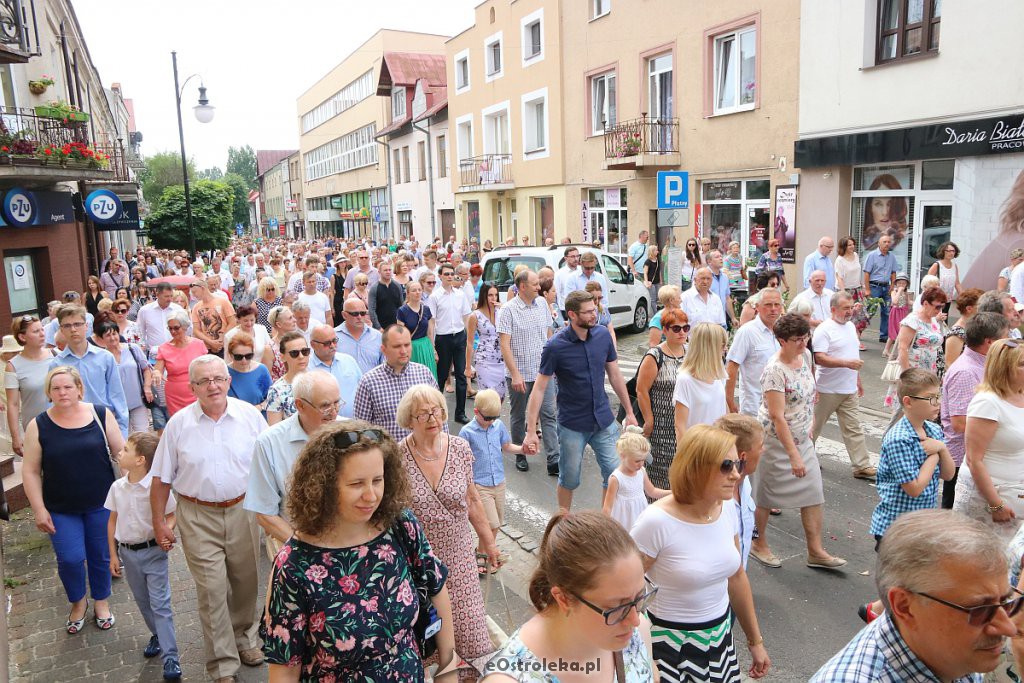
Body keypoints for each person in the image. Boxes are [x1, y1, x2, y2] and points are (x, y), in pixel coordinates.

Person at [260, 420, 457, 682]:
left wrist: (448, 671)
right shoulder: (294, 565)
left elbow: (435, 586)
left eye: (378, 480)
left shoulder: (399, 525)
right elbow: (284, 669)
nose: (371, 495)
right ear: (324, 487)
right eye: (356, 484)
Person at [150, 355, 267, 682]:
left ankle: (244, 636)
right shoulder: (178, 425)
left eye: (218, 378)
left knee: (246, 582)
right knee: (212, 590)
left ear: (228, 380)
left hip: (244, 509)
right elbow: (160, 478)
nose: (212, 386)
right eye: (203, 381)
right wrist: (159, 522)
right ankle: (222, 665)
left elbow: (268, 465)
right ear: (192, 387)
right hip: (197, 515)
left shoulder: (250, 417)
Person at [811, 509, 1018, 683]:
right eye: (980, 610)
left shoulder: (946, 655)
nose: (1008, 628)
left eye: (1006, 601)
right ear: (905, 606)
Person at [631, 425, 771, 682]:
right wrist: (643, 654)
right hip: (668, 647)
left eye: (738, 463)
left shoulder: (726, 508)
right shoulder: (655, 523)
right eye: (726, 465)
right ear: (695, 468)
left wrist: (755, 641)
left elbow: (737, 576)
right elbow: (623, 594)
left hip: (719, 640)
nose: (736, 474)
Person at [397, 385, 500, 677]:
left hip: (459, 556)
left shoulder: (459, 448)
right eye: (424, 413)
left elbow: (472, 499)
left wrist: (489, 543)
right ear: (409, 419)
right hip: (417, 562)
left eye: (438, 410)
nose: (433, 418)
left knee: (472, 632)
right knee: (427, 635)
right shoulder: (397, 456)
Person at [482, 510, 658, 682]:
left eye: (640, 597)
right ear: (563, 598)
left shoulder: (636, 633)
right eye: (617, 608)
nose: (635, 620)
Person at [22, 366, 124, 634]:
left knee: (100, 556)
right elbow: (31, 471)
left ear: (79, 388)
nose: (62, 392)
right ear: (49, 392)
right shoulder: (38, 425)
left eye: (68, 387)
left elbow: (121, 453)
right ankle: (78, 602)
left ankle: (101, 601)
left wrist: (133, 493)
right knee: (70, 558)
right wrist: (38, 509)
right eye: (56, 388)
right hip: (60, 507)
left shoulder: (100, 414)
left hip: (101, 504)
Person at [524, 291, 636, 511]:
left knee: (614, 473)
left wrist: (630, 412)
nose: (594, 315)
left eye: (594, 309)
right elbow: (538, 389)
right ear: (573, 315)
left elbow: (615, 375)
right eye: (588, 312)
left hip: (603, 420)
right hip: (572, 425)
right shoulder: (554, 347)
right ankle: (563, 521)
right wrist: (530, 431)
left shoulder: (603, 336)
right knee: (570, 478)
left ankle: (605, 522)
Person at [750, 313, 846, 570]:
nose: (804, 343)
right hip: (775, 442)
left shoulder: (803, 357)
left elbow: (808, 394)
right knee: (765, 496)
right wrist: (793, 455)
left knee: (814, 493)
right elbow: (777, 416)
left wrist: (812, 422)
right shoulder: (774, 371)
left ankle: (815, 550)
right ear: (781, 340)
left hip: (802, 436)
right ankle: (758, 543)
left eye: (806, 337)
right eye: (797, 339)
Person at [859, 369, 955, 624]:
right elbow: (914, 487)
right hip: (896, 524)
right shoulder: (899, 438)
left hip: (920, 521)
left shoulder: (933, 432)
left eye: (938, 397)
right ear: (908, 401)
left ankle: (877, 612)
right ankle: (881, 617)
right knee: (903, 579)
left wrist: (942, 449)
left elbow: (948, 474)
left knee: (911, 577)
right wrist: (934, 455)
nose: (938, 404)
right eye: (931, 399)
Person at [103, 432, 181, 680]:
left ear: (140, 460)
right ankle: (157, 634)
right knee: (143, 601)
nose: (120, 452)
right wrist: (113, 555)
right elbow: (112, 521)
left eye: (126, 449)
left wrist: (167, 532)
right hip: (128, 553)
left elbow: (170, 514)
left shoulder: (156, 489)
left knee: (161, 605)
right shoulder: (117, 487)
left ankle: (171, 659)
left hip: (154, 551)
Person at [246, 371, 341, 558]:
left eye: (337, 402)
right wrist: (305, 548)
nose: (334, 412)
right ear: (300, 405)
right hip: (293, 547)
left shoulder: (352, 433)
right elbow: (264, 513)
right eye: (325, 406)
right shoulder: (269, 442)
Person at [952, 339, 1024, 542]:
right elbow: (974, 459)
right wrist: (996, 504)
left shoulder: (1021, 395)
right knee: (978, 560)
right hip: (989, 497)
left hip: (1015, 493)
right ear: (1004, 369)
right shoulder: (988, 402)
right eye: (1022, 364)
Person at [941, 313, 1009, 512]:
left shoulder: (984, 365)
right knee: (957, 523)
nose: (1010, 342)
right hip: (963, 460)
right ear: (989, 342)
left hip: (977, 457)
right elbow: (960, 423)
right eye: (1006, 337)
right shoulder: (966, 372)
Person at [498, 269, 558, 475]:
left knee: (549, 414)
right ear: (522, 287)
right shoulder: (508, 310)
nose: (539, 288)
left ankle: (553, 458)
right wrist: (514, 373)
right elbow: (504, 345)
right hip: (520, 373)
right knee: (518, 416)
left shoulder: (542, 303)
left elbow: (548, 333)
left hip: (543, 372)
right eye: (535, 284)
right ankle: (521, 453)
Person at [811, 291, 876, 480]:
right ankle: (801, 459)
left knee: (854, 428)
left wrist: (857, 380)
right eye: (845, 308)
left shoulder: (850, 327)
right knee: (813, 428)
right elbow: (819, 358)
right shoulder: (824, 329)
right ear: (833, 309)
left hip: (848, 388)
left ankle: (861, 465)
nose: (850, 312)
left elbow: (853, 355)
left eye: (851, 307)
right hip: (826, 389)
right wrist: (846, 364)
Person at [458, 388, 524, 570]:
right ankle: (485, 554)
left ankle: (485, 551)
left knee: (497, 522)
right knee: (491, 523)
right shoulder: (467, 432)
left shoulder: (498, 426)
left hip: (499, 482)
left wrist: (522, 450)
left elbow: (507, 446)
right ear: (476, 411)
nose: (491, 422)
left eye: (494, 418)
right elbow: (462, 463)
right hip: (480, 484)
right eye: (487, 418)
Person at [50, 304, 129, 436]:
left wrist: (122, 432)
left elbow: (117, 396)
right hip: (72, 428)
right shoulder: (56, 364)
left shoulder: (105, 358)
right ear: (61, 330)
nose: (73, 329)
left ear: (86, 326)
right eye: (67, 326)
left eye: (77, 324)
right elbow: (53, 402)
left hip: (104, 423)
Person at [353, 325, 441, 442]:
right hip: (389, 456)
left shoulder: (424, 374)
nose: (403, 351)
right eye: (397, 346)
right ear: (383, 349)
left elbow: (439, 414)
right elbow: (362, 428)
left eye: (407, 345)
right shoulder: (369, 382)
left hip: (424, 453)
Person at [713, 414, 765, 569]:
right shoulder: (714, 500)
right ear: (743, 456)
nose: (764, 450)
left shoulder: (745, 482)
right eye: (761, 446)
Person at [884, 287, 947, 411]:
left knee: (923, 412)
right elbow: (902, 348)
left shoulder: (933, 320)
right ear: (925, 303)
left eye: (942, 307)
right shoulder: (912, 320)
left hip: (929, 372)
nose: (939, 310)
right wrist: (908, 376)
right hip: (914, 372)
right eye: (937, 307)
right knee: (905, 413)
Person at [726, 288, 783, 415]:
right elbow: (732, 367)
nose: (773, 308)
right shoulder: (747, 332)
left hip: (780, 408)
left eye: (777, 305)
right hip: (755, 408)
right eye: (768, 305)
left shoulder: (784, 331)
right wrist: (729, 402)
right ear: (757, 307)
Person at [5, 314, 54, 456]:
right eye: (35, 331)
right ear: (22, 337)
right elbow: (13, 404)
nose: (42, 334)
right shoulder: (13, 366)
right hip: (36, 429)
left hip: (64, 422)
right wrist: (15, 437)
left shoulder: (56, 355)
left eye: (42, 329)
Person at [602, 426, 668, 531]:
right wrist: (605, 528)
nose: (641, 464)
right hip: (623, 519)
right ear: (623, 456)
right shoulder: (616, 478)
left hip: (639, 514)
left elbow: (652, 491)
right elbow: (607, 507)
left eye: (643, 460)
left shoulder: (641, 471)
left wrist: (672, 492)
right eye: (637, 461)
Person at [429, 263, 472, 423]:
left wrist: (468, 338)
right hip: (443, 338)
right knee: (441, 376)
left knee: (461, 375)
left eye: (451, 274)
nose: (449, 276)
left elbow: (466, 316)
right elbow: (432, 321)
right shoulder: (435, 296)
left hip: (459, 336)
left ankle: (460, 413)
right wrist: (432, 345)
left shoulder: (460, 294)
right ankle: (436, 413)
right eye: (446, 274)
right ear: (440, 276)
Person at [96, 316, 153, 434]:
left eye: (114, 334)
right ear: (102, 339)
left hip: (138, 400)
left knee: (142, 435)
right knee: (123, 439)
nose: (112, 338)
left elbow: (146, 369)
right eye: (108, 335)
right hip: (116, 406)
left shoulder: (133, 348)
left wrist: (147, 388)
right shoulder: (101, 357)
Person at [673, 322, 728, 439]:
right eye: (722, 345)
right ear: (710, 347)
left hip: (719, 446)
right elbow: (680, 426)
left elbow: (724, 410)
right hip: (698, 449)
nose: (726, 349)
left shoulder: (719, 374)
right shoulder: (685, 380)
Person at [153, 310, 207, 417]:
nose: (173, 331)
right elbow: (158, 369)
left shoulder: (198, 344)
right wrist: (157, 373)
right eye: (170, 328)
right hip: (175, 396)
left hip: (197, 391)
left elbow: (207, 367)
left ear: (185, 327)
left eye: (176, 328)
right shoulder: (164, 348)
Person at [308, 324, 361, 418]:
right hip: (323, 427)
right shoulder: (306, 369)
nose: (332, 346)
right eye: (327, 343)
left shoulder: (349, 360)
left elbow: (363, 389)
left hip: (354, 424)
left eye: (335, 341)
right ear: (313, 345)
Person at [465, 284, 505, 399]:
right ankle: (483, 417)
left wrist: (504, 308)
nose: (494, 298)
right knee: (487, 398)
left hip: (501, 360)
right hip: (484, 360)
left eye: (496, 295)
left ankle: (494, 417)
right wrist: (468, 367)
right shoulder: (475, 316)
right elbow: (469, 343)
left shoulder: (501, 311)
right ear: (484, 296)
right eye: (490, 295)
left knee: (500, 396)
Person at [863, 234, 900, 345]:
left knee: (887, 312)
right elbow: (866, 273)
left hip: (886, 287)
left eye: (888, 242)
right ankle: (858, 332)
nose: (887, 244)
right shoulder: (872, 255)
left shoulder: (892, 257)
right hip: (874, 287)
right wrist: (867, 289)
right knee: (870, 311)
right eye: (884, 242)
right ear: (879, 243)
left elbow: (893, 273)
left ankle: (884, 336)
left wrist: (892, 287)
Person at [266, 331, 310, 426]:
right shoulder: (276, 391)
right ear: (282, 357)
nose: (301, 356)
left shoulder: (320, 380)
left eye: (305, 351)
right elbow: (274, 432)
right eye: (294, 353)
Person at [225, 331, 272, 409]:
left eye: (248, 356)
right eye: (238, 357)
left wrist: (260, 407)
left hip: (259, 416)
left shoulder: (261, 370)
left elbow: (271, 397)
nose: (244, 360)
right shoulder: (224, 373)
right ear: (230, 355)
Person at [188, 279, 236, 356]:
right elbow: (196, 330)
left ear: (203, 288)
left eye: (194, 292)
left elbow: (232, 322)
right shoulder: (196, 307)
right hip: (207, 347)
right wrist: (210, 342)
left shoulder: (223, 302)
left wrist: (221, 339)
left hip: (225, 345)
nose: (193, 295)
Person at [944, 288, 985, 368]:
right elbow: (950, 364)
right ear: (969, 309)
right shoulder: (956, 333)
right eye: (981, 306)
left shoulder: (974, 328)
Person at [224, 304, 274, 371]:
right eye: (245, 320)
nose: (249, 323)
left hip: (261, 369)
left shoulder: (262, 329)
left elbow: (270, 348)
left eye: (252, 320)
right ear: (238, 320)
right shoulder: (230, 335)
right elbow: (228, 359)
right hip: (240, 370)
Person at [882, 272, 911, 357]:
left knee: (902, 332)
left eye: (903, 283)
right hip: (896, 313)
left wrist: (919, 303)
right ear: (896, 284)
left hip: (903, 313)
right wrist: (899, 291)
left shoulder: (906, 293)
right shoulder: (894, 292)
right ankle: (886, 350)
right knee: (893, 332)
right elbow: (894, 301)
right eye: (899, 283)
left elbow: (908, 302)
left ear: (907, 284)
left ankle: (899, 352)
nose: (901, 285)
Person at [368, 259, 403, 330]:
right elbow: (372, 310)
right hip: (381, 326)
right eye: (385, 270)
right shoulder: (374, 288)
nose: (388, 272)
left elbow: (401, 306)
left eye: (390, 270)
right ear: (379, 272)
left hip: (396, 326)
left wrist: (401, 324)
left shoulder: (397, 285)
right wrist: (378, 327)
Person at [928, 241, 963, 310]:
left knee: (944, 319)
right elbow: (927, 283)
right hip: (936, 300)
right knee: (936, 319)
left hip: (947, 300)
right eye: (948, 251)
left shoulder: (954, 266)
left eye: (953, 251)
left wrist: (964, 296)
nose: (951, 253)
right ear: (943, 251)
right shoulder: (937, 265)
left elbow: (957, 283)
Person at [553, 246, 581, 318]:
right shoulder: (559, 274)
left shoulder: (581, 271)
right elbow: (557, 293)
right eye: (572, 256)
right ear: (565, 258)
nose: (576, 259)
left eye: (577, 256)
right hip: (566, 311)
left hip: (581, 309)